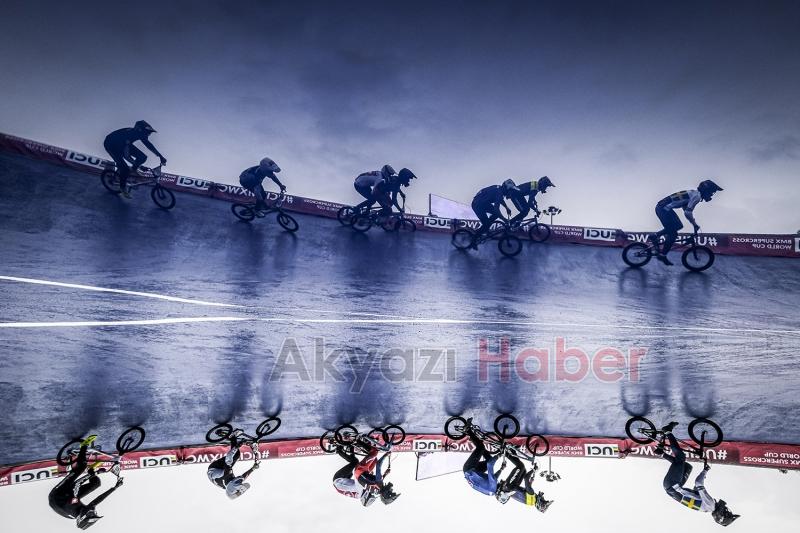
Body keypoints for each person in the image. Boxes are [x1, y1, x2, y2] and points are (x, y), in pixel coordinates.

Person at [659, 422, 740, 527]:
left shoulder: (710, 504)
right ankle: (661, 453)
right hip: (672, 487)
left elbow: (698, 483)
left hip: (673, 485)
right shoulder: (706, 509)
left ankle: (667, 431)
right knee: (687, 467)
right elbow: (696, 490)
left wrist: (705, 470)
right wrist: (703, 478)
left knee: (681, 458)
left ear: (721, 514)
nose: (726, 509)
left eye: (726, 512)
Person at [48, 435, 124, 529]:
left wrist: (94, 473)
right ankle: (91, 469)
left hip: (58, 494)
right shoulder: (84, 511)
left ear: (83, 516)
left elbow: (77, 484)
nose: (93, 511)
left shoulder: (71, 506)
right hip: (69, 497)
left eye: (91, 513)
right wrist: (115, 487)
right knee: (96, 483)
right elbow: (97, 501)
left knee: (81, 468)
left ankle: (84, 445)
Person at [651, 180, 723, 265]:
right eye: (711, 192)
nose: (711, 195)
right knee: (673, 233)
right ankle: (661, 253)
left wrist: (693, 223)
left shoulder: (694, 193)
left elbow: (685, 209)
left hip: (663, 208)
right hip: (664, 209)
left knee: (678, 226)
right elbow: (687, 212)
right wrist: (694, 224)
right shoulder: (697, 196)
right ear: (705, 190)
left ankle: (655, 237)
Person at [103, 120, 167, 198]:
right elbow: (126, 156)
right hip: (111, 145)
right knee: (125, 169)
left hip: (124, 143)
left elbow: (149, 145)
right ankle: (122, 188)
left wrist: (160, 156)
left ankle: (130, 171)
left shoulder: (140, 134)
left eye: (149, 133)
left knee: (143, 157)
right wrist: (139, 166)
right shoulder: (129, 135)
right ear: (140, 130)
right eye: (148, 133)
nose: (148, 135)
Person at [332, 445, 399, 506]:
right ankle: (351, 447)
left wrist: (386, 454)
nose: (391, 489)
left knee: (373, 453)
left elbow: (378, 478)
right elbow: (377, 483)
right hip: (345, 481)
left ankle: (342, 448)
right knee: (368, 461)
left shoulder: (367, 490)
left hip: (339, 480)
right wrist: (385, 474)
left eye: (391, 491)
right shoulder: (366, 492)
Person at [206, 432, 260, 500]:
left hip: (214, 469)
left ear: (232, 482)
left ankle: (232, 437)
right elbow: (244, 476)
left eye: (237, 482)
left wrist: (237, 446)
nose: (239, 481)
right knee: (235, 456)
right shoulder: (232, 484)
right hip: (219, 478)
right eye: (239, 482)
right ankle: (232, 438)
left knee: (235, 456)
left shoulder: (227, 473)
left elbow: (229, 457)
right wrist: (253, 468)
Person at [463, 424, 501, 497]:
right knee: (489, 458)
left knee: (481, 448)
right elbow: (493, 478)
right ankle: (476, 441)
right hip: (474, 472)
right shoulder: (492, 491)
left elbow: (490, 465)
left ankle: (468, 431)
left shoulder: (493, 487)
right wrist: (501, 469)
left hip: (469, 469)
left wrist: (499, 455)